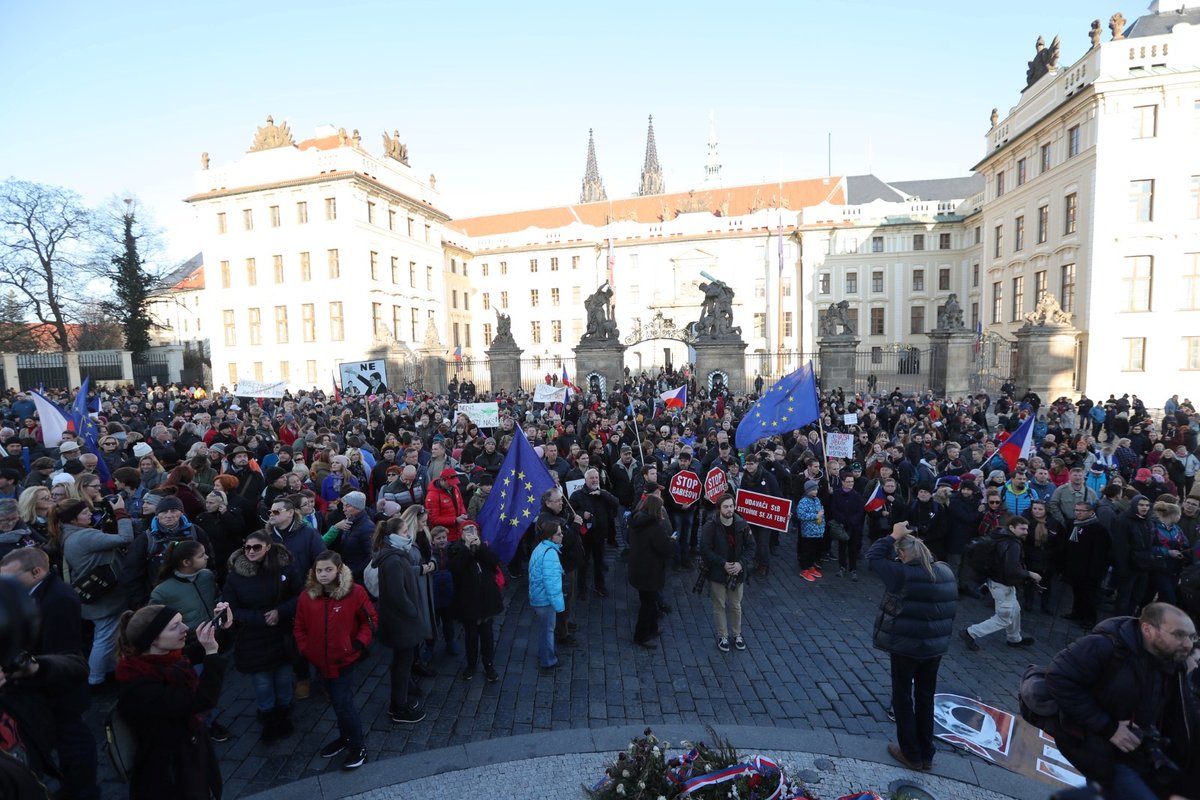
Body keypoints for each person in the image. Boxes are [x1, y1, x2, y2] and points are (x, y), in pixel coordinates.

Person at [1045, 603, 1200, 798]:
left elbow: (1182, 708)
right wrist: (1108, 727)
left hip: (1139, 749)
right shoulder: (1105, 645)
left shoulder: (1172, 659)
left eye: (1192, 636)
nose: (1188, 644)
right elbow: (1058, 678)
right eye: (1179, 635)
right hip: (1100, 745)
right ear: (1148, 630)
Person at [866, 522, 957, 772]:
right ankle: (927, 753)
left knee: (903, 697)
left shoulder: (903, 574)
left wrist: (892, 535)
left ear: (905, 554)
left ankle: (911, 753)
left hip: (906, 647)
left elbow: (873, 557)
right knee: (926, 698)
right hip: (934, 648)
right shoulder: (946, 572)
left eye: (899, 555)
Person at [114, 604, 228, 800]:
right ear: (153, 639)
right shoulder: (138, 686)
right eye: (175, 626)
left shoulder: (165, 660)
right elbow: (200, 701)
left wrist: (222, 628)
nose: (185, 628)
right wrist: (211, 653)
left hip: (186, 760)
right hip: (169, 775)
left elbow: (200, 649)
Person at [293, 550, 377, 770]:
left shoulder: (355, 592)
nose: (323, 574)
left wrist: (357, 644)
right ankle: (346, 738)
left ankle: (358, 746)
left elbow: (370, 621)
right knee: (338, 704)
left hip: (344, 660)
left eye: (328, 570)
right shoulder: (306, 596)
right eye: (319, 570)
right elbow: (300, 627)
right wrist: (307, 649)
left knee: (343, 704)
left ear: (338, 570)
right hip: (320, 662)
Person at [221, 530, 301, 744]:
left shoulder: (286, 567)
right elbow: (230, 608)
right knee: (262, 682)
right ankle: (267, 717)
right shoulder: (235, 575)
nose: (250, 551)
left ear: (268, 547)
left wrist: (280, 612)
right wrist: (259, 618)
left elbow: (300, 594)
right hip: (253, 636)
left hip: (281, 632)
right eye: (247, 547)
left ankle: (284, 713)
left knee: (284, 677)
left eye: (256, 547)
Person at [56, 496, 135, 689]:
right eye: (85, 513)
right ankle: (95, 680)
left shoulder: (67, 533)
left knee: (108, 636)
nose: (90, 514)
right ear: (73, 519)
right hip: (104, 599)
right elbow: (126, 538)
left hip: (95, 596)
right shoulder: (84, 536)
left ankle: (108, 671)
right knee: (105, 638)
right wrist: (120, 512)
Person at [369, 515, 429, 723]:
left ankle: (401, 699)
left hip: (399, 619)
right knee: (403, 664)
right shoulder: (393, 559)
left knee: (402, 662)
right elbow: (397, 594)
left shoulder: (393, 554)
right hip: (402, 621)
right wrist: (412, 611)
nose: (408, 536)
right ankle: (399, 707)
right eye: (405, 532)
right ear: (394, 535)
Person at [959, 515, 1039, 651]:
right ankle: (970, 633)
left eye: (1027, 529)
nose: (1026, 532)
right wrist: (1030, 574)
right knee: (1004, 618)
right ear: (1012, 527)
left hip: (998, 582)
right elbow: (1011, 570)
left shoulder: (1000, 537)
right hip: (1003, 585)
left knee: (1015, 610)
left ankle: (1014, 638)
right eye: (1022, 529)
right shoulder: (1012, 544)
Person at [697, 493, 755, 653]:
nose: (730, 509)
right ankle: (723, 635)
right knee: (719, 605)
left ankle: (737, 634)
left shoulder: (742, 524)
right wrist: (722, 564)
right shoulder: (711, 525)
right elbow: (704, 549)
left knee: (736, 605)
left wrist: (740, 564)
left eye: (731, 506)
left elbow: (751, 547)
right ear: (719, 508)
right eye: (726, 507)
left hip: (737, 571)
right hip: (717, 571)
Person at [448, 521, 503, 681]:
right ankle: (471, 664)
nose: (471, 533)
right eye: (466, 530)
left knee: (487, 636)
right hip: (468, 602)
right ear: (461, 533)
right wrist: (466, 548)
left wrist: (481, 548)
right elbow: (456, 569)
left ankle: (489, 665)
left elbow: (494, 562)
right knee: (471, 636)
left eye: (473, 530)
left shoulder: (483, 547)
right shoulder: (455, 549)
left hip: (486, 600)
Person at [626, 494, 673, 648]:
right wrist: (671, 541)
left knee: (649, 602)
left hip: (638, 569)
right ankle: (641, 636)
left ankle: (652, 628)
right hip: (650, 572)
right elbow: (666, 550)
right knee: (647, 605)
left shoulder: (636, 522)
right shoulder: (654, 528)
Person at [1060, 501, 1111, 628]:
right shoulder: (1073, 524)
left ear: (1091, 512)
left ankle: (1090, 618)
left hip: (1089, 569)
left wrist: (1094, 571)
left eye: (1081, 511)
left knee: (1089, 595)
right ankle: (1077, 613)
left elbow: (1100, 554)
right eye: (1076, 510)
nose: (1078, 513)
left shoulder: (1099, 529)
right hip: (1075, 567)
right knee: (1077, 592)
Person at [527, 518, 565, 675]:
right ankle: (548, 660)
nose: (562, 535)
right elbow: (552, 584)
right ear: (550, 537)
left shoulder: (540, 547)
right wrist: (559, 605)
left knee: (544, 630)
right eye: (559, 533)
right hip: (545, 601)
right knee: (548, 631)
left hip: (537, 597)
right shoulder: (551, 554)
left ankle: (545, 654)